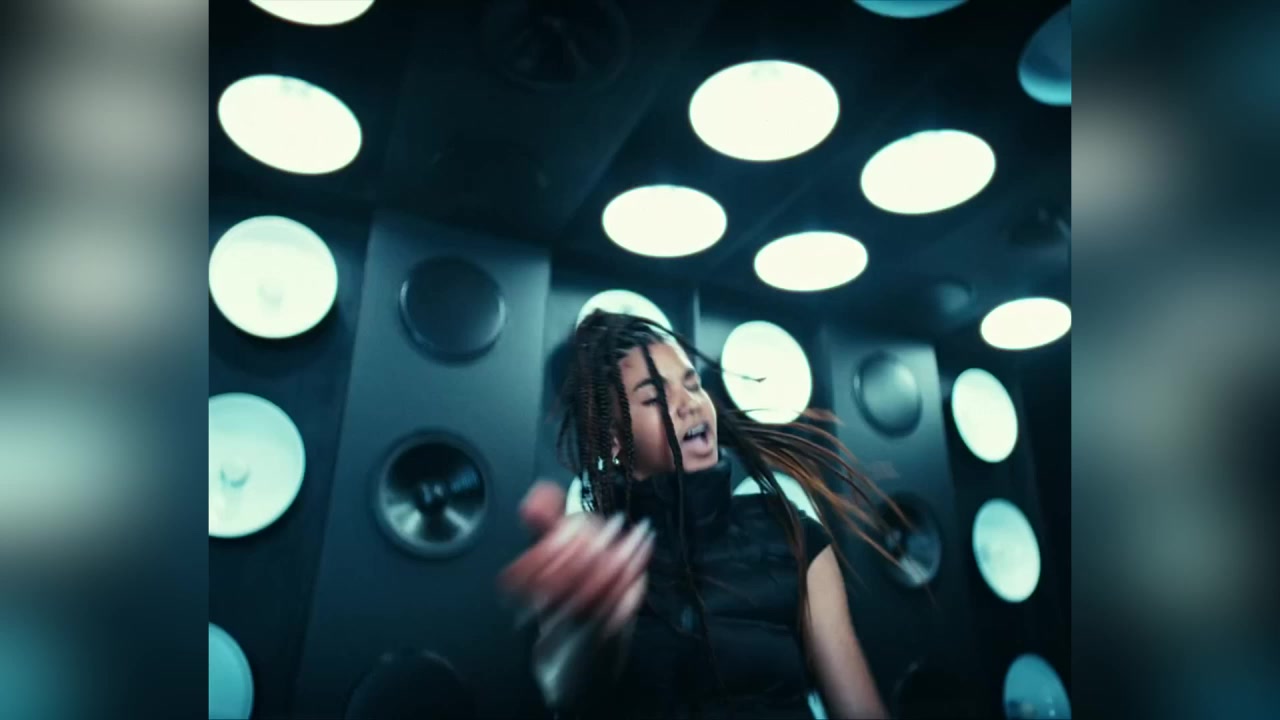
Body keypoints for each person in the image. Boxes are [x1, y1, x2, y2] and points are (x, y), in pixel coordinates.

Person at [500, 310, 896, 719]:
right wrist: (586, 636)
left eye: (692, 385)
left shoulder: (792, 532)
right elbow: (566, 688)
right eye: (656, 397)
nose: (689, 403)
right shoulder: (593, 551)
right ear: (616, 440)